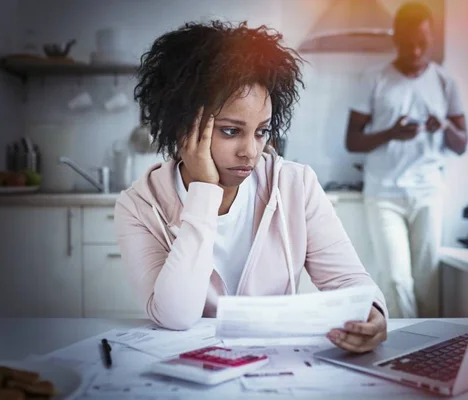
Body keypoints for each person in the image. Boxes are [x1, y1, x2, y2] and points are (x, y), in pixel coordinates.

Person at [114, 21, 388, 353]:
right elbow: (174, 316)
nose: (251, 151)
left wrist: (372, 314)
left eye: (261, 131)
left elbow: (353, 284)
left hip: (277, 371)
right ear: (182, 127)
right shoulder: (139, 206)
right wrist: (203, 190)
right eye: (231, 131)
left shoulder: (294, 185)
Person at [345, 2, 468, 318]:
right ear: (396, 40)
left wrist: (442, 124)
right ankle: (403, 350)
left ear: (431, 40)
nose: (415, 51)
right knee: (397, 280)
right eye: (408, 43)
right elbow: (352, 140)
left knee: (428, 280)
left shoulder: (445, 82)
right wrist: (390, 134)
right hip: (383, 193)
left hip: (428, 191)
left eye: (422, 43)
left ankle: (427, 352)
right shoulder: (374, 80)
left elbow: (461, 144)